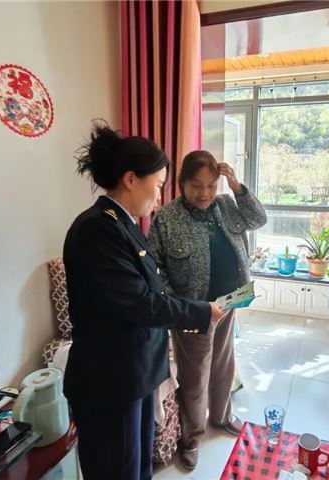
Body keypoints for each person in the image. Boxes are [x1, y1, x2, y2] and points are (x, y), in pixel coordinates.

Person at [63, 125, 225, 480]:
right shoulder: (97, 230)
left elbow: (151, 290)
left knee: (137, 467)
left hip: (134, 372)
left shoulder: (124, 224)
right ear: (131, 179)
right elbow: (141, 303)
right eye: (158, 184)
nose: (160, 195)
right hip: (110, 381)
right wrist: (202, 312)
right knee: (119, 470)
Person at [149, 150, 267, 470]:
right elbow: (155, 270)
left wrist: (237, 187)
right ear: (181, 183)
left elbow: (258, 219)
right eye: (196, 185)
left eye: (212, 185)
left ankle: (221, 417)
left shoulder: (226, 205)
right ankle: (192, 438)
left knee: (223, 364)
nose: (205, 193)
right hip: (194, 312)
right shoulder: (166, 219)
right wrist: (179, 307)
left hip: (230, 302)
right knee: (194, 378)